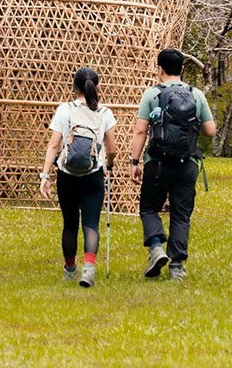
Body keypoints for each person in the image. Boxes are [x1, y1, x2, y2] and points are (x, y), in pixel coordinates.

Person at [130, 48, 216, 281]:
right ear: (182, 69)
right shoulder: (196, 94)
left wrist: (135, 162)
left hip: (157, 162)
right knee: (181, 213)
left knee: (149, 208)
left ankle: (156, 247)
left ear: (160, 69)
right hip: (187, 162)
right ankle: (177, 266)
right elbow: (211, 131)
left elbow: (140, 130)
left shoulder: (152, 94)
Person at [40, 66, 118, 287]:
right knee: (91, 223)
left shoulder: (64, 110)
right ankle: (89, 269)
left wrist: (45, 175)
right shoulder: (104, 113)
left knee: (70, 223)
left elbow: (54, 144)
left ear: (74, 87)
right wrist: (108, 165)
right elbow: (112, 149)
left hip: (67, 175)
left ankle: (70, 269)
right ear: (97, 86)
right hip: (93, 175)